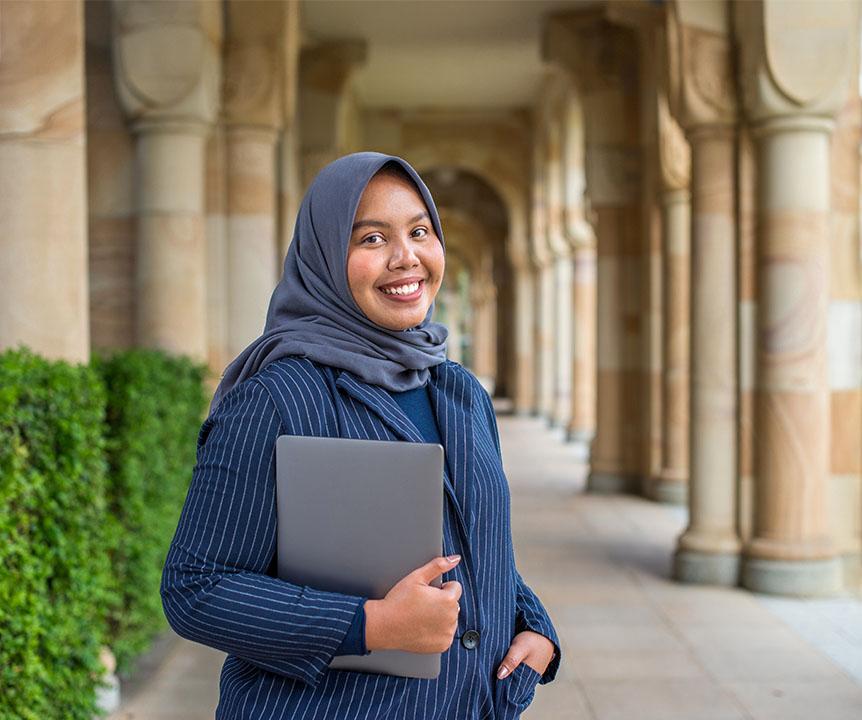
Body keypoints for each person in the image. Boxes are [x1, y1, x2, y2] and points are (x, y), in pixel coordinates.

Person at [161, 152, 561, 719]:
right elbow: (195, 589)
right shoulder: (277, 398)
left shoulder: (461, 392)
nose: (407, 258)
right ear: (323, 257)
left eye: (420, 232)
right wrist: (371, 625)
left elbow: (467, 543)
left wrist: (533, 627)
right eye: (372, 239)